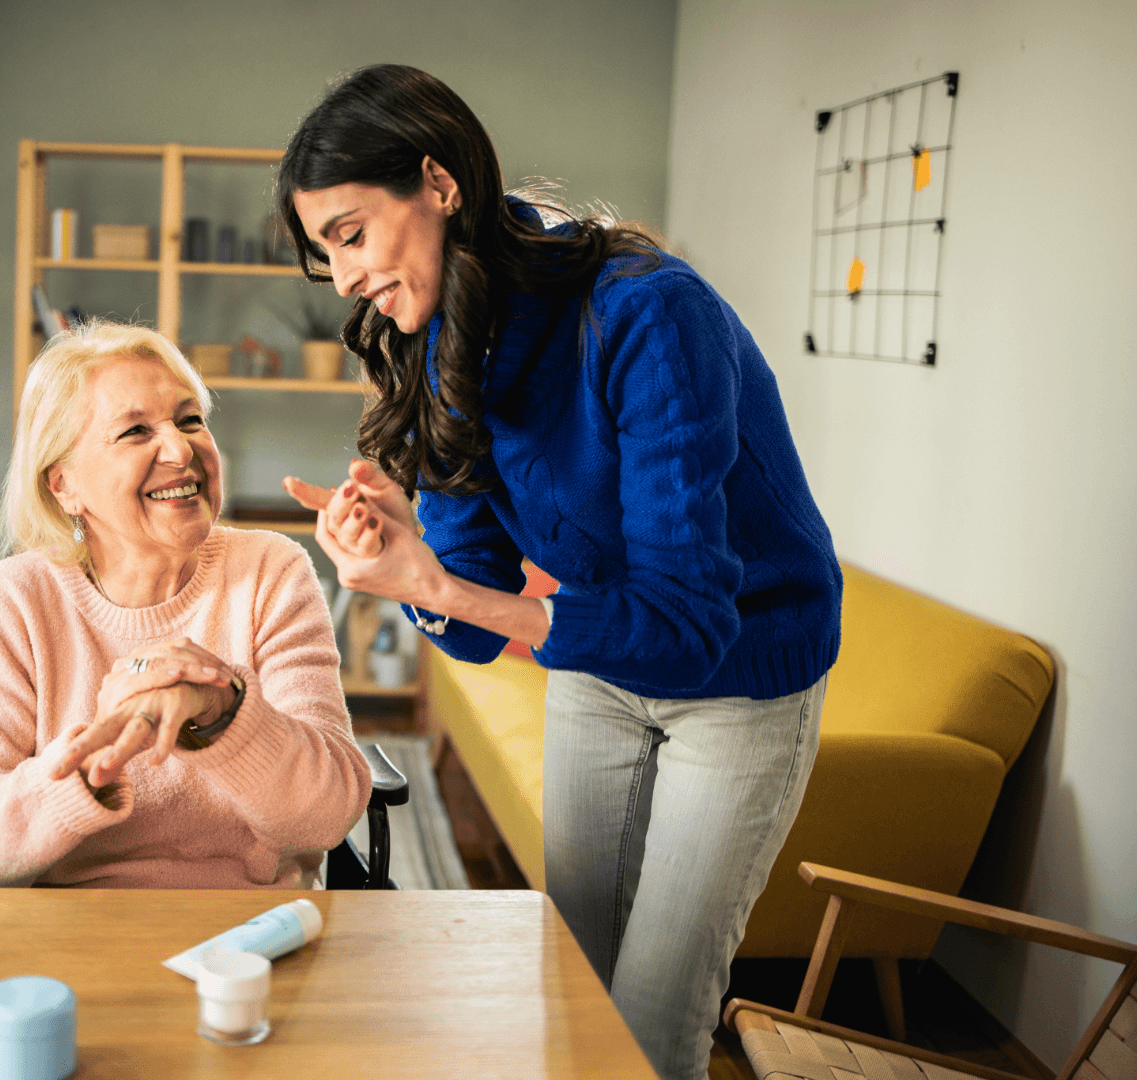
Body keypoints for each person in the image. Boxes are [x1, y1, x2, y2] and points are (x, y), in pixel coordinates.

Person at [277, 65, 841, 1077]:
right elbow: (482, 620)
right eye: (329, 255)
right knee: (567, 976)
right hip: (599, 657)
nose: (348, 277)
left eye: (353, 234)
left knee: (654, 1017)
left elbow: (687, 628)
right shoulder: (438, 336)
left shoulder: (648, 315)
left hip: (743, 670)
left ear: (439, 185)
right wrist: (408, 565)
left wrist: (439, 589)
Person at [0, 319, 370, 890]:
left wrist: (222, 713)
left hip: (249, 935)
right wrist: (75, 776)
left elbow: (327, 816)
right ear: (63, 485)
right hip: (67, 936)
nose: (182, 449)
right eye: (135, 432)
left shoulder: (271, 573)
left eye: (190, 421)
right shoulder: (3, 609)